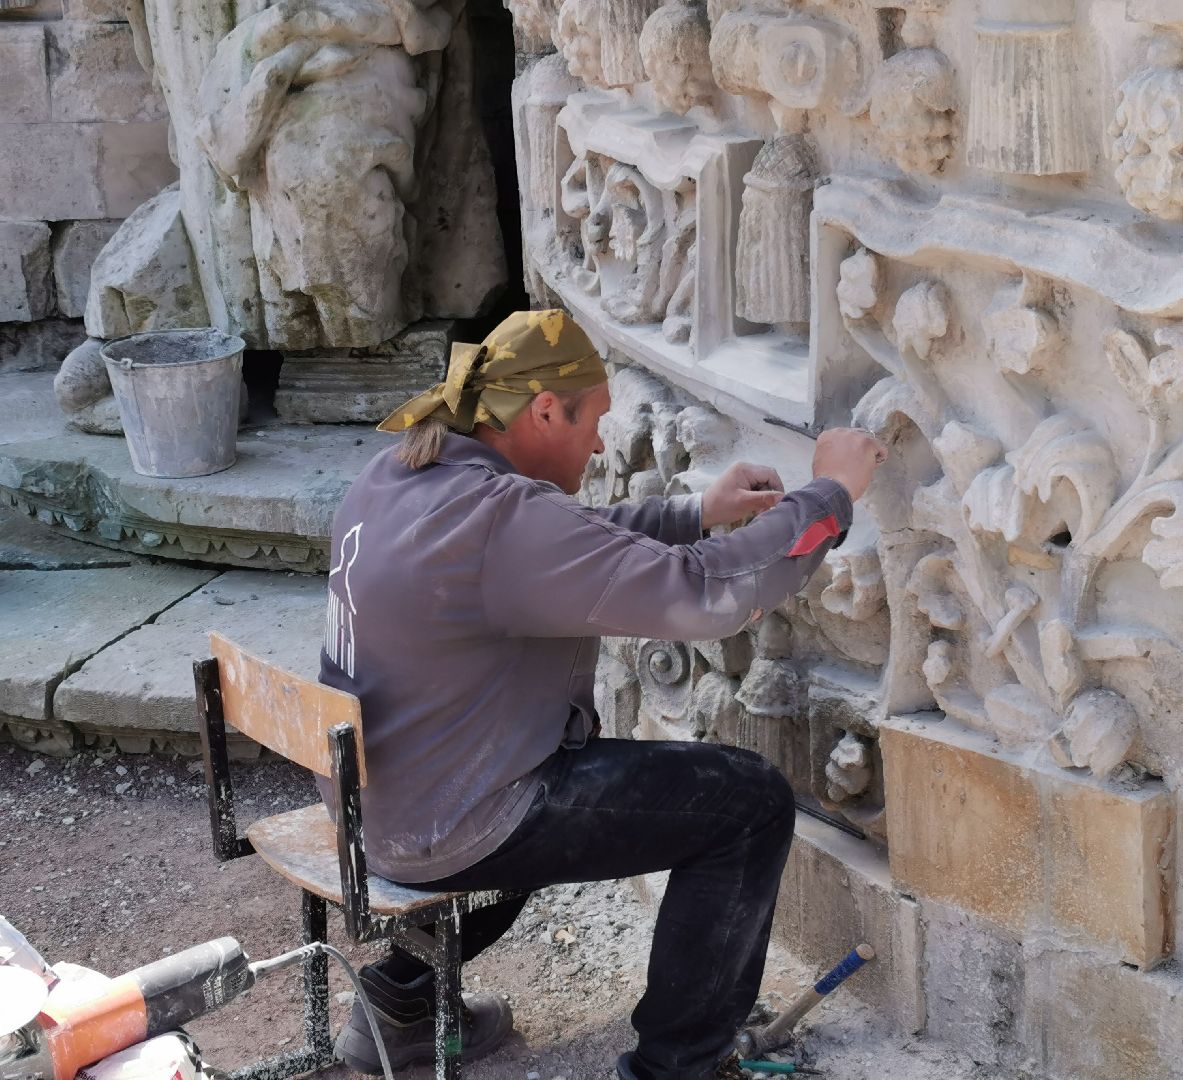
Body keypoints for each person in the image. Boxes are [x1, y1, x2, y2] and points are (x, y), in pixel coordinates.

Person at [317, 308, 886, 1079]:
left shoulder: (404, 475)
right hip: (448, 823)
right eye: (593, 421)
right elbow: (707, 599)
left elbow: (567, 541)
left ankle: (403, 1000)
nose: (596, 443)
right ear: (545, 409)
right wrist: (828, 496)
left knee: (553, 785)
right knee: (745, 805)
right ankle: (677, 1066)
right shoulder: (498, 519)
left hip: (378, 807)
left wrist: (696, 512)